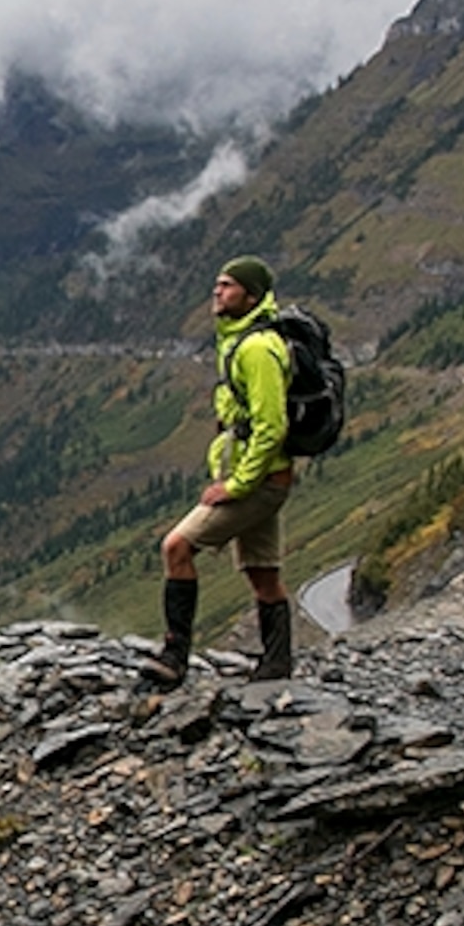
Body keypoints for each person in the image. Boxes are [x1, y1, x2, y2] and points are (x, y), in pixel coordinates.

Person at [142, 255, 297, 686]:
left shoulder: (257, 349)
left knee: (176, 547)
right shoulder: (242, 341)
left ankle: (175, 658)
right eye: (218, 283)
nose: (218, 291)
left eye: (228, 285)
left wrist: (236, 484)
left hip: (258, 484)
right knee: (263, 574)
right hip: (266, 479)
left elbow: (271, 425)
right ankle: (278, 665)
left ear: (251, 295)